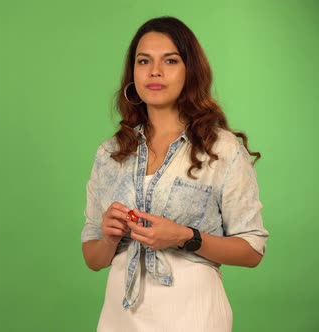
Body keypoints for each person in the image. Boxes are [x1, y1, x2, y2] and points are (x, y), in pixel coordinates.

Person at [80, 16, 269, 332]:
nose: (155, 71)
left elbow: (252, 251)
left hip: (193, 313)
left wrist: (184, 236)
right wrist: (110, 237)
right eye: (144, 61)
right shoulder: (110, 153)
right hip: (119, 315)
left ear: (189, 71)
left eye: (170, 60)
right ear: (133, 74)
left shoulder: (222, 149)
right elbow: (92, 257)